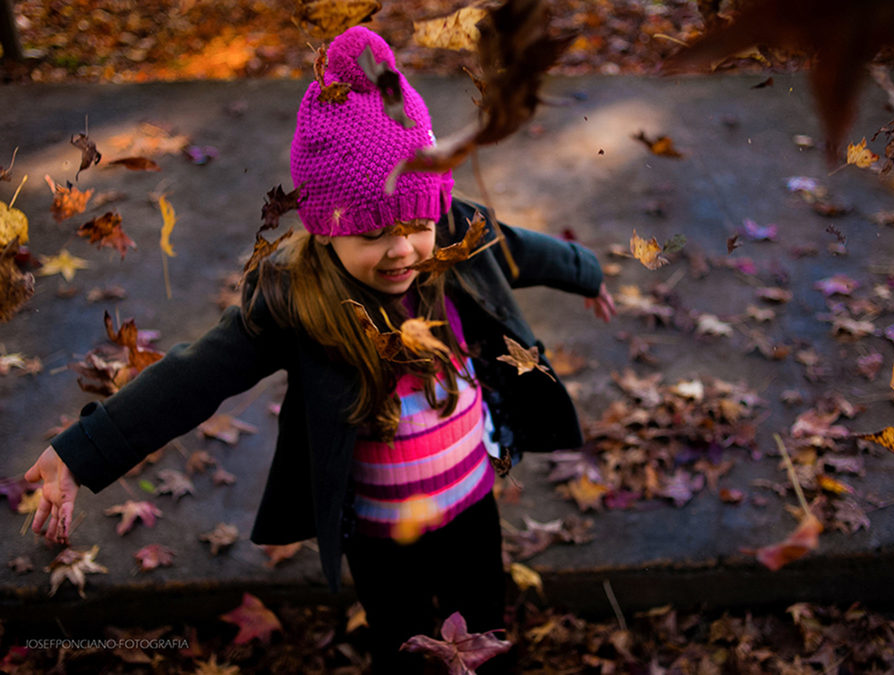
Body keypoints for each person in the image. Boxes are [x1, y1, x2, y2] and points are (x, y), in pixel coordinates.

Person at [25, 26, 615, 673]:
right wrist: (80, 453)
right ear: (328, 227)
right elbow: (193, 376)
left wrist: (587, 272)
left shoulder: (447, 235)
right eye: (373, 233)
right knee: (408, 646)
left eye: (415, 225)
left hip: (472, 499)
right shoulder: (295, 298)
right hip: (381, 532)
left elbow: (522, 248)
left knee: (483, 625)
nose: (401, 250)